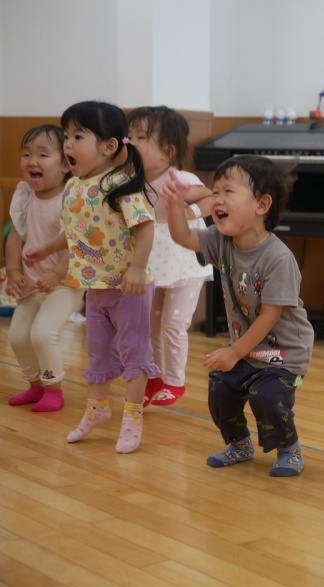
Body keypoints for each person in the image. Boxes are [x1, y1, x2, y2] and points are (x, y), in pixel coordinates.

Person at [162, 156, 314, 476]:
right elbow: (183, 237)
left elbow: (269, 316)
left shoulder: (278, 258)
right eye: (215, 192)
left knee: (266, 396)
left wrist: (233, 352)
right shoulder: (221, 241)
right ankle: (239, 443)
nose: (217, 199)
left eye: (228, 191)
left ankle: (288, 448)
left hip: (282, 353)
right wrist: (175, 205)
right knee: (220, 389)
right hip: (247, 349)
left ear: (262, 205)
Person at [23, 101, 158, 454]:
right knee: (97, 353)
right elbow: (73, 233)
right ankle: (97, 409)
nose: (68, 143)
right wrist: (45, 249)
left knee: (134, 353)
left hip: (129, 288)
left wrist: (137, 269)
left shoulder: (119, 183)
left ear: (109, 146)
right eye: (66, 135)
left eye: (78, 136)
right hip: (94, 288)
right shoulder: (73, 187)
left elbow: (145, 227)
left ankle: (133, 416)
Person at [127, 106, 214, 406]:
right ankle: (154, 377)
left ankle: (175, 382)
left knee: (173, 325)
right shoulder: (133, 180)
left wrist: (191, 211)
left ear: (167, 151)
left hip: (185, 265)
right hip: (153, 265)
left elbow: (211, 197)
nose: (131, 142)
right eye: (129, 136)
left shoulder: (179, 178)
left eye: (140, 137)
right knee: (151, 326)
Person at [6, 125, 85, 412]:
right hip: (32, 284)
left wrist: (55, 274)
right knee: (17, 336)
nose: (32, 161)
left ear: (65, 165)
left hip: (65, 283)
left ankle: (54, 389)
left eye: (42, 154)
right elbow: (15, 238)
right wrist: (13, 273)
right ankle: (35, 385)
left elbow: (76, 243)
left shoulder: (71, 197)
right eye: (26, 154)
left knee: (42, 333)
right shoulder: (24, 195)